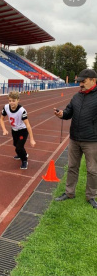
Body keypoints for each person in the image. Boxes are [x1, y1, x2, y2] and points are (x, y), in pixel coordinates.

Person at [54, 69, 97, 209]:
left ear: (93, 80)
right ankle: (69, 192)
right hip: (74, 139)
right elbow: (68, 112)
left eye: (83, 82)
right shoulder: (76, 97)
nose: (80, 85)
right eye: (79, 82)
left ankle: (91, 196)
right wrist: (62, 114)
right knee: (72, 167)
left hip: (92, 140)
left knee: (92, 170)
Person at [0, 91, 36, 169]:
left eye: (13, 101)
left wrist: (31, 139)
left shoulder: (22, 111)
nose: (11, 103)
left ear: (18, 100)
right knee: (15, 145)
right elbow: (1, 119)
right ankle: (23, 154)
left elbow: (28, 125)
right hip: (14, 130)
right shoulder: (6, 107)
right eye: (10, 101)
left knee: (19, 147)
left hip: (22, 130)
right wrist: (4, 130)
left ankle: (24, 160)